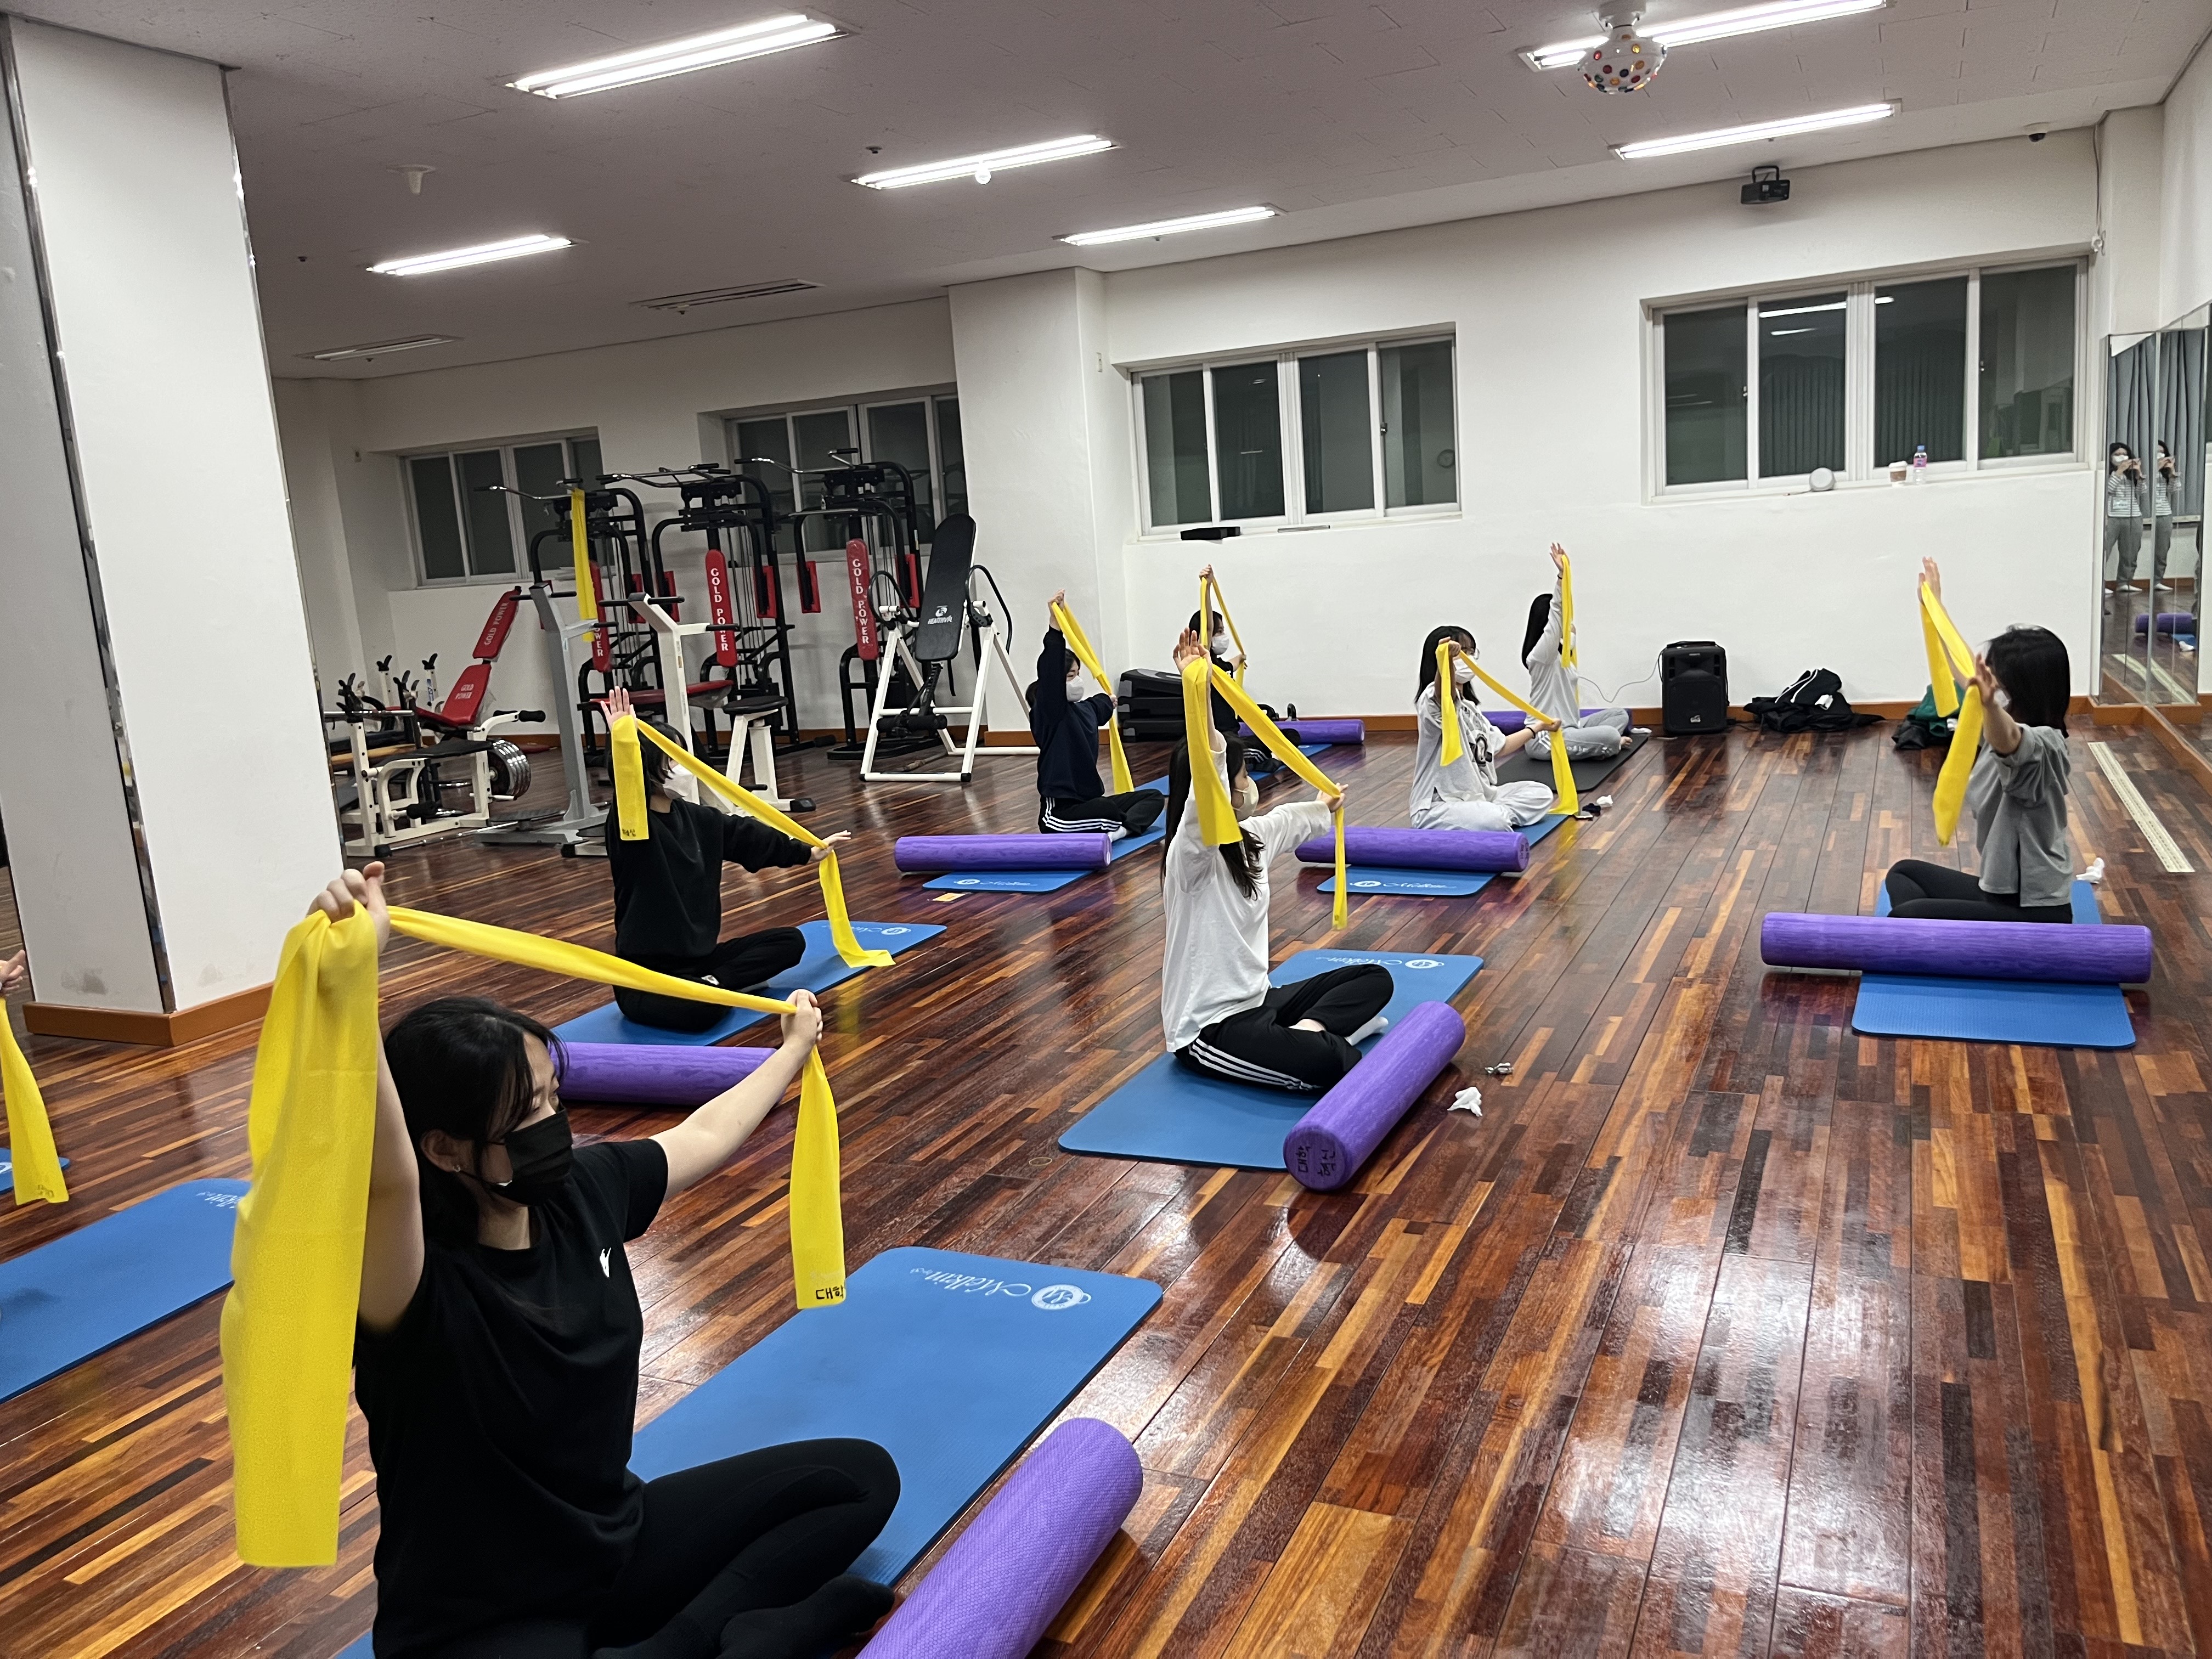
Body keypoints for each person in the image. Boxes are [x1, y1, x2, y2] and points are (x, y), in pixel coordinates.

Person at [323, 863, 899, 1659]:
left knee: (858, 1480)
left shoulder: (580, 1193)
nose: (553, 1123)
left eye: (553, 1098)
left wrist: (792, 1051)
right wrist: (351, 989)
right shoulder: (410, 1281)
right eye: (527, 1113)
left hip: (613, 1546)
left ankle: (702, 1642)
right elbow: (385, 1175)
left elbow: (701, 1136)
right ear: (446, 1149)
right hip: (484, 1619)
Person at [1161, 629, 1391, 1092]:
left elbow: (1286, 821)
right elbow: (1209, 776)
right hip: (1210, 1027)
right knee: (1329, 1064)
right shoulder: (1191, 857)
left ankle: (1306, 1032)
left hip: (1260, 1002)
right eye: (1243, 777)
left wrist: (1324, 805)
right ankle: (1317, 1041)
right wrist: (1197, 689)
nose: (1250, 785)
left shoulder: (1251, 838)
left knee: (1374, 978)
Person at [600, 687, 850, 1033]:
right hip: (647, 976)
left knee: (790, 942)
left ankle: (716, 985)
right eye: (672, 760)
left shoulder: (698, 819)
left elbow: (746, 836)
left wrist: (806, 851)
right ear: (646, 768)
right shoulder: (632, 830)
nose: (682, 768)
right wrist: (624, 740)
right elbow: (628, 792)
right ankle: (714, 990)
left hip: (704, 964)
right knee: (701, 1012)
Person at [1884, 559, 2076, 924]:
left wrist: (1989, 705)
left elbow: (2011, 744)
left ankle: (1942, 942)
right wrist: (1935, 606)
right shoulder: (2004, 708)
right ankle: (1939, 941)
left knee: (1907, 916)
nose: (1989, 681)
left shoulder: (2044, 745)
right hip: (1999, 893)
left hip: (2035, 909)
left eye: (1996, 676)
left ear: (2020, 685)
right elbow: (1965, 673)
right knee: (1904, 874)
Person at [1027, 592, 1164, 837]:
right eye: (1071, 676)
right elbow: (1050, 672)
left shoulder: (1084, 710)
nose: (1077, 680)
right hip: (1060, 814)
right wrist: (1056, 627)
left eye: (1078, 674)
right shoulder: (1050, 713)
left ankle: (1120, 831)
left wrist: (1109, 701)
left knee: (1153, 797)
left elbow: (1099, 706)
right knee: (1105, 809)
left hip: (1089, 803)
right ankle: (1118, 824)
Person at [1411, 626, 1553, 832]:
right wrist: (1446, 660)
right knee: (1494, 819)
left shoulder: (1471, 709)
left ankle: (1487, 818)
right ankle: (1491, 819)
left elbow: (1501, 746)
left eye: (1470, 652)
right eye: (1461, 652)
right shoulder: (1431, 700)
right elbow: (1445, 697)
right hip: (1439, 805)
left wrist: (1538, 727)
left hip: (1482, 796)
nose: (1468, 657)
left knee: (1541, 794)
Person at [1523, 544, 1632, 761]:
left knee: (1619, 715)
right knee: (1611, 736)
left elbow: (1567, 636)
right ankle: (1605, 746)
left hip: (1572, 727)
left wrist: (1572, 635)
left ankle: (1593, 745)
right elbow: (1556, 617)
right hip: (1546, 737)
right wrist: (1562, 577)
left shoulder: (1562, 652)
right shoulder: (1541, 656)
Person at [2104, 442, 2146, 595]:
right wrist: (2119, 471)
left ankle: (2125, 582)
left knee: (2131, 553)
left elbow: (2142, 492)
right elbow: (2108, 490)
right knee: (2104, 551)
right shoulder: (2107, 473)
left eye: (2124, 454)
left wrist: (2139, 475)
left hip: (2133, 516)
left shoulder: (2131, 475)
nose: (2122, 457)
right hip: (2112, 517)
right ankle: (2098, 583)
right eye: (2117, 454)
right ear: (2110, 457)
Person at [2153, 440, 2178, 594]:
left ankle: (2158, 580)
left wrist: (2172, 472)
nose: (2161, 455)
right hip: (2146, 514)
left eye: (2162, 452)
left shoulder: (2165, 473)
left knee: (2163, 549)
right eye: (2157, 452)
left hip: (2164, 513)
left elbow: (2174, 490)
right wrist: (2156, 468)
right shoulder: (2143, 469)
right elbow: (2144, 489)